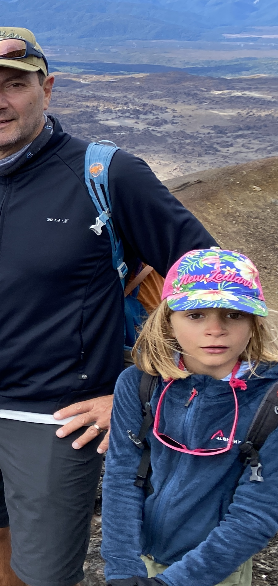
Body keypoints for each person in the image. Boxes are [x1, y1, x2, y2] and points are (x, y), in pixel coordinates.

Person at [0, 26, 217, 586]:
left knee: (45, 571)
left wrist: (144, 396)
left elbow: (213, 284)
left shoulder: (109, 176)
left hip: (59, 419)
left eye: (13, 85)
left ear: (48, 88)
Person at [102, 248, 278, 586]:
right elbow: (122, 478)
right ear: (167, 319)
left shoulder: (271, 402)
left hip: (216, 568)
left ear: (254, 321)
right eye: (196, 315)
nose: (215, 330)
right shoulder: (138, 383)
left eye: (233, 314)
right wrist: (122, 567)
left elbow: (256, 513)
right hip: (141, 554)